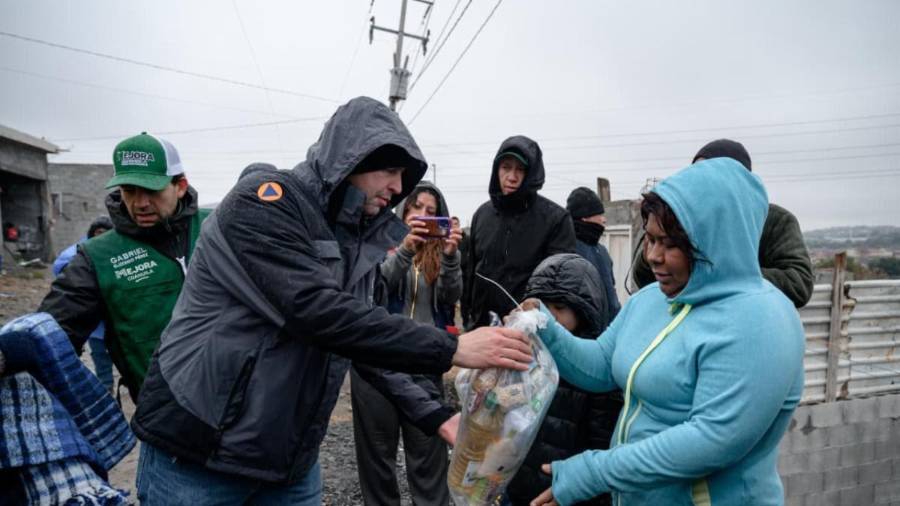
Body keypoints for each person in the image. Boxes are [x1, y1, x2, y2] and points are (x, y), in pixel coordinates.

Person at [130, 96, 533, 506]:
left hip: (288, 462)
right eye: (390, 171)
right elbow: (316, 312)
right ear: (352, 157)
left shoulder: (356, 242)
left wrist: (437, 416)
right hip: (199, 454)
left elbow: (365, 342)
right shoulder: (263, 203)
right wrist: (453, 347)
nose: (398, 189)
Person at [524, 158, 805, 505]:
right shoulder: (652, 299)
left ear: (717, 241)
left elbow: (708, 441)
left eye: (670, 244)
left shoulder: (759, 322)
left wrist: (594, 472)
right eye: (651, 239)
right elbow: (600, 365)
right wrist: (544, 325)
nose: (654, 256)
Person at [38, 133, 209, 400]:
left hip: (246, 416)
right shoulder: (98, 256)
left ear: (181, 185)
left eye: (152, 190)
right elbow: (56, 327)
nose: (140, 203)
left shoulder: (220, 227)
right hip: (164, 421)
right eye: (129, 190)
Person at [352, 182, 462, 505]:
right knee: (377, 461)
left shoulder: (442, 252)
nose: (424, 216)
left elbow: (450, 297)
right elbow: (377, 287)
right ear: (404, 209)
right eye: (417, 208)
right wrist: (405, 249)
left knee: (428, 459)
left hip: (423, 362)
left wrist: (451, 258)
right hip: (377, 363)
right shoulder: (377, 242)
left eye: (432, 212)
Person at [631, 138, 814, 308]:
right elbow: (643, 276)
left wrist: (727, 273)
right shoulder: (685, 215)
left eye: (709, 174)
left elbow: (799, 284)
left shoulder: (776, 221)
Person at [503, 253, 620, 506]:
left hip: (565, 493)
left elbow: (602, 445)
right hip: (518, 485)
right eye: (542, 306)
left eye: (560, 308)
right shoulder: (526, 357)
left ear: (585, 310)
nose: (550, 316)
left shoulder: (597, 376)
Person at [463, 135, 576, 329]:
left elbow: (561, 288)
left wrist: (531, 322)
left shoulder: (555, 220)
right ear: (496, 169)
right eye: (506, 167)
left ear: (532, 174)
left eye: (520, 169)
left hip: (529, 337)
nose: (512, 177)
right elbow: (471, 273)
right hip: (482, 332)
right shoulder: (482, 215)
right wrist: (468, 318)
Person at [52, 216, 115, 393]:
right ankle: (106, 389)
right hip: (92, 316)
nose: (101, 238)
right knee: (99, 355)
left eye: (106, 234)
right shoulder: (77, 254)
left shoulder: (117, 251)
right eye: (98, 233)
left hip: (114, 316)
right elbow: (63, 272)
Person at [566, 187, 621, 320]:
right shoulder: (568, 249)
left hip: (610, 330)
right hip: (585, 333)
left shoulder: (602, 251)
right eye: (600, 214)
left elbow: (611, 293)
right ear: (584, 217)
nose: (604, 220)